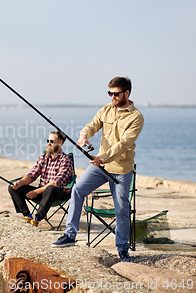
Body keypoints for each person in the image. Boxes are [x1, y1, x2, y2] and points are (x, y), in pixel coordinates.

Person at [51, 77, 144, 263]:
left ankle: (123, 249)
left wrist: (102, 157)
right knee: (77, 190)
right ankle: (70, 235)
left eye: (116, 94)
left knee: (121, 209)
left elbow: (125, 144)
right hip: (100, 166)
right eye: (110, 93)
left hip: (121, 170)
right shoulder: (106, 109)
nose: (113, 97)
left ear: (127, 93)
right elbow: (92, 124)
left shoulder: (136, 117)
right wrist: (83, 136)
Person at [8, 131, 74, 227]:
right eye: (48, 141)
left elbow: (56, 183)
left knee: (50, 188)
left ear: (60, 142)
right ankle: (27, 215)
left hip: (58, 193)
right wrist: (19, 183)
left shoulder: (66, 160)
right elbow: (31, 175)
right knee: (12, 187)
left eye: (51, 141)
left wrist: (36, 192)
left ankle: (37, 218)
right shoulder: (43, 158)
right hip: (42, 193)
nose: (49, 143)